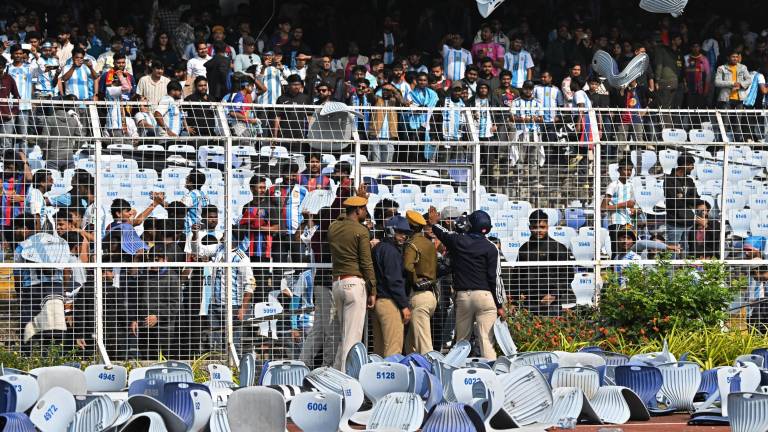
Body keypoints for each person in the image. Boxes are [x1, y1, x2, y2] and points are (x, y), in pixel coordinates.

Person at [427, 207, 505, 360]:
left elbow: (443, 233)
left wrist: (434, 223)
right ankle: (491, 371)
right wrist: (500, 305)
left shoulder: (459, 241)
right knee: (486, 342)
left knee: (461, 342)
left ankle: (457, 370)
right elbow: (495, 278)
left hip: (464, 297)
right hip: (486, 297)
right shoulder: (492, 248)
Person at [328, 195, 376, 370]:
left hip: (337, 284)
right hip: (354, 284)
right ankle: (345, 376)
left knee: (345, 335)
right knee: (352, 338)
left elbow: (342, 218)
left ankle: (336, 372)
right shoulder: (361, 231)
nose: (365, 213)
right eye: (364, 209)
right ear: (358, 210)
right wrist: (373, 289)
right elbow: (366, 263)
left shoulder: (333, 227)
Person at [514, 210, 572, 315]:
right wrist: (517, 295)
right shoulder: (524, 248)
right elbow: (516, 275)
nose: (538, 230)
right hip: (528, 302)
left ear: (547, 226)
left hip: (551, 303)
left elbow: (568, 274)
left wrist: (554, 295)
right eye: (535, 227)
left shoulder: (558, 248)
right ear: (530, 227)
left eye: (542, 227)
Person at [129, 242, 181, 358]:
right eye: (151, 259)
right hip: (144, 327)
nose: (153, 263)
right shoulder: (144, 276)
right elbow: (137, 299)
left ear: (165, 260)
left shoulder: (172, 277)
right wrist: (134, 318)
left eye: (157, 260)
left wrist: (158, 316)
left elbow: (175, 304)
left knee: (162, 361)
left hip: (163, 329)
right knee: (145, 359)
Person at [371, 215, 411, 357]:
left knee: (379, 350)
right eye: (400, 232)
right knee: (393, 349)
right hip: (390, 303)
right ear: (391, 231)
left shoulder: (377, 248)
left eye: (405, 233)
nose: (404, 236)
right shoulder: (391, 251)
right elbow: (394, 281)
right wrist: (404, 305)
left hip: (378, 302)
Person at [403, 210, 438, 354]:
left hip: (419, 295)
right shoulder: (429, 243)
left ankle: (430, 367)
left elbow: (407, 266)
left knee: (424, 346)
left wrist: (415, 280)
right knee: (410, 344)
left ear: (410, 226)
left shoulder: (412, 244)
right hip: (431, 295)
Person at [663, 154, 698, 249]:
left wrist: (682, 196)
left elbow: (696, 199)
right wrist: (688, 199)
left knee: (686, 249)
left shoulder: (689, 180)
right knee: (672, 250)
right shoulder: (669, 180)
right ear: (684, 164)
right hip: (675, 223)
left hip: (689, 222)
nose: (693, 167)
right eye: (691, 165)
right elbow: (673, 203)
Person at [601, 157, 635, 226]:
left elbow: (631, 207)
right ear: (619, 170)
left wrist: (634, 211)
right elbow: (603, 207)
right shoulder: (613, 185)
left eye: (630, 170)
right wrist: (624, 204)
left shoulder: (631, 186)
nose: (628, 172)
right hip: (616, 222)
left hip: (629, 223)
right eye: (626, 170)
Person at [747, 266, 768, 333]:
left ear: (756, 272)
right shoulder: (765, 283)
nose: (757, 280)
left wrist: (756, 302)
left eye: (754, 277)